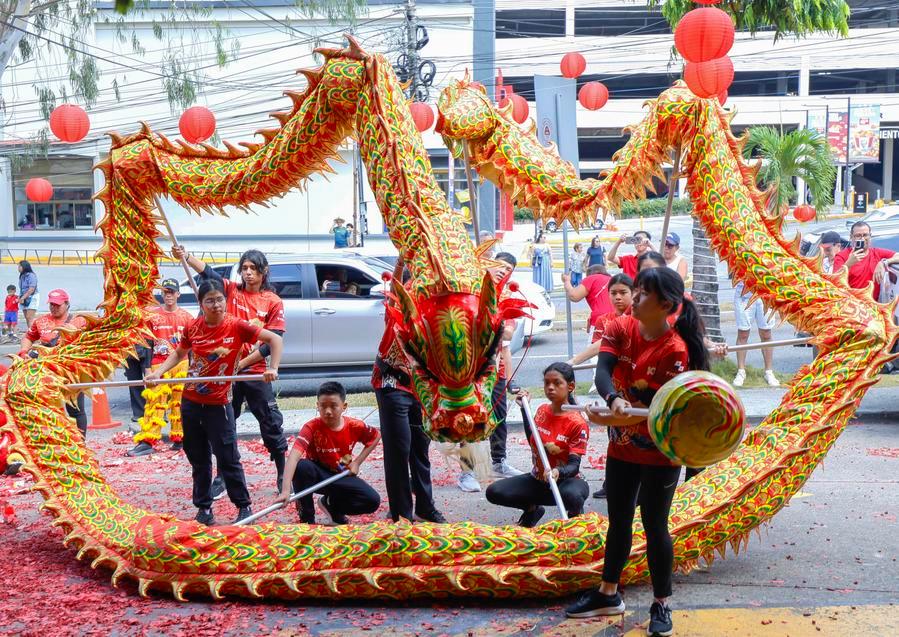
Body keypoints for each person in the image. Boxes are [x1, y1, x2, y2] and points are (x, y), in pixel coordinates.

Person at [565, 267, 710, 637]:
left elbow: (665, 403)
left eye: (643, 293)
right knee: (619, 519)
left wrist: (627, 406)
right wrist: (610, 399)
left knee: (655, 525)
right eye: (636, 291)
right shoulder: (620, 327)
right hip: (621, 445)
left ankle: (662, 602)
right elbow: (603, 372)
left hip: (661, 450)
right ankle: (608, 593)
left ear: (664, 305)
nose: (634, 298)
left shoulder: (675, 349)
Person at [145, 278, 283, 526]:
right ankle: (204, 508)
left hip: (219, 404)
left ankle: (244, 507)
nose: (216, 305)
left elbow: (275, 340)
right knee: (198, 458)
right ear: (201, 304)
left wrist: (272, 368)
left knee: (228, 456)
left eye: (220, 299)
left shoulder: (238, 326)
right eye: (210, 301)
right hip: (190, 401)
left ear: (225, 301)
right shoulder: (193, 326)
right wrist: (158, 373)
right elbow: (179, 353)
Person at [175, 246, 289, 493]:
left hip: (255, 372)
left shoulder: (272, 301)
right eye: (244, 268)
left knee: (270, 424)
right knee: (223, 427)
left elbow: (274, 340)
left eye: (253, 268)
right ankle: (223, 476)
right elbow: (209, 275)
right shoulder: (230, 291)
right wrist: (185, 256)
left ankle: (283, 472)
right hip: (226, 376)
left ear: (264, 271)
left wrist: (242, 364)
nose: (247, 273)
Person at [373, 259, 445, 523]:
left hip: (420, 387)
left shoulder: (439, 313)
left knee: (420, 448)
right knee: (399, 449)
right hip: (392, 381)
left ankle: (425, 506)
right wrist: (402, 261)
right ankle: (402, 512)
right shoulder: (398, 304)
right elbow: (395, 285)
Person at [485, 363, 590, 527]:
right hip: (538, 480)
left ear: (570, 386)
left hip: (567, 482)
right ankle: (532, 510)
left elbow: (574, 466)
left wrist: (558, 472)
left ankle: (575, 525)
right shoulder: (542, 410)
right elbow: (534, 440)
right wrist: (524, 410)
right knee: (494, 492)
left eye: (557, 383)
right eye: (547, 383)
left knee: (573, 496)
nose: (550, 387)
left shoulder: (577, 423)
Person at [457, 252, 523, 493]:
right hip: (471, 369)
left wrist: (509, 376)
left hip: (496, 370)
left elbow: (506, 337)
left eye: (508, 269)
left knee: (500, 418)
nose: (503, 272)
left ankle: (499, 462)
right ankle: (467, 472)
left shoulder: (507, 297)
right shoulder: (472, 292)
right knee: (467, 419)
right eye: (500, 266)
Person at [567, 274, 635, 500]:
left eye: (623, 292)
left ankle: (637, 488)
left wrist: (575, 360)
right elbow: (600, 345)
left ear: (633, 293)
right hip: (614, 389)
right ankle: (612, 484)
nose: (617, 297)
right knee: (615, 436)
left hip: (638, 391)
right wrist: (574, 362)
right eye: (613, 293)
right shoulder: (604, 320)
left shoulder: (640, 317)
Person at [275, 381, 381, 524]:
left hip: (341, 473)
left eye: (333, 406)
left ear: (344, 407)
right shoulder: (311, 427)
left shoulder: (355, 425)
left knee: (372, 500)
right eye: (323, 406)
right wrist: (286, 491)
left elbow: (375, 437)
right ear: (317, 406)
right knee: (302, 467)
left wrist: (357, 462)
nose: (328, 411)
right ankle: (307, 518)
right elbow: (293, 457)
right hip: (317, 475)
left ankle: (332, 506)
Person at [127, 278, 195, 457]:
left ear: (178, 294)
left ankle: (180, 440)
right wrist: (147, 369)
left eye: (172, 292)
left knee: (180, 404)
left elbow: (193, 346)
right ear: (162, 294)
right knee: (155, 403)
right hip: (158, 365)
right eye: (165, 292)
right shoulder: (152, 317)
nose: (169, 295)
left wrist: (193, 369)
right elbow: (145, 344)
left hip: (182, 365)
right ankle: (147, 441)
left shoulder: (187, 317)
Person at [18, 289, 88, 437]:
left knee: (75, 410)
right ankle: (53, 443)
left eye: (57, 305)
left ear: (67, 304)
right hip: (45, 374)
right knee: (47, 409)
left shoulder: (79, 321)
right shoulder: (41, 321)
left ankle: (81, 443)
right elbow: (28, 337)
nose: (53, 308)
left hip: (71, 373)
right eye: (51, 304)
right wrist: (24, 352)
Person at [732, 275, 779, 387]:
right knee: (743, 333)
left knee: (766, 333)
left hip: (765, 292)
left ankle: (768, 371)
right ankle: (741, 371)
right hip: (744, 293)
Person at [832, 221, 899, 300]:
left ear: (870, 236)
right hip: (850, 306)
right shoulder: (842, 256)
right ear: (851, 237)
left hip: (872, 307)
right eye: (858, 235)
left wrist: (884, 262)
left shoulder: (876, 253)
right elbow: (835, 282)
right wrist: (848, 264)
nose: (862, 238)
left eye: (865, 235)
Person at [562, 266, 612, 342]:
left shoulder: (591, 278)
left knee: (594, 351)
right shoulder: (613, 280)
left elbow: (574, 296)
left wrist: (567, 281)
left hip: (601, 320)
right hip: (618, 319)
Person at [17, 260, 38, 329]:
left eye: (19, 266)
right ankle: (30, 333)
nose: (18, 268)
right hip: (24, 297)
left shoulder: (31, 275)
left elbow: (31, 289)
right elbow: (22, 289)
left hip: (32, 297)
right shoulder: (22, 276)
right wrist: (20, 297)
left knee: (30, 317)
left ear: (24, 267)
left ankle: (33, 335)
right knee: (26, 317)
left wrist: (23, 298)